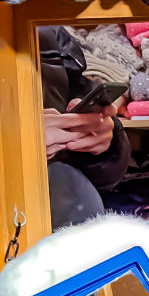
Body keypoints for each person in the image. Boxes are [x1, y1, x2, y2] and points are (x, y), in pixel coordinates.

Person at [38, 26, 132, 230]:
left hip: (63, 219)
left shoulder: (49, 35)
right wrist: (17, 142)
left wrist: (106, 138)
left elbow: (107, 175)